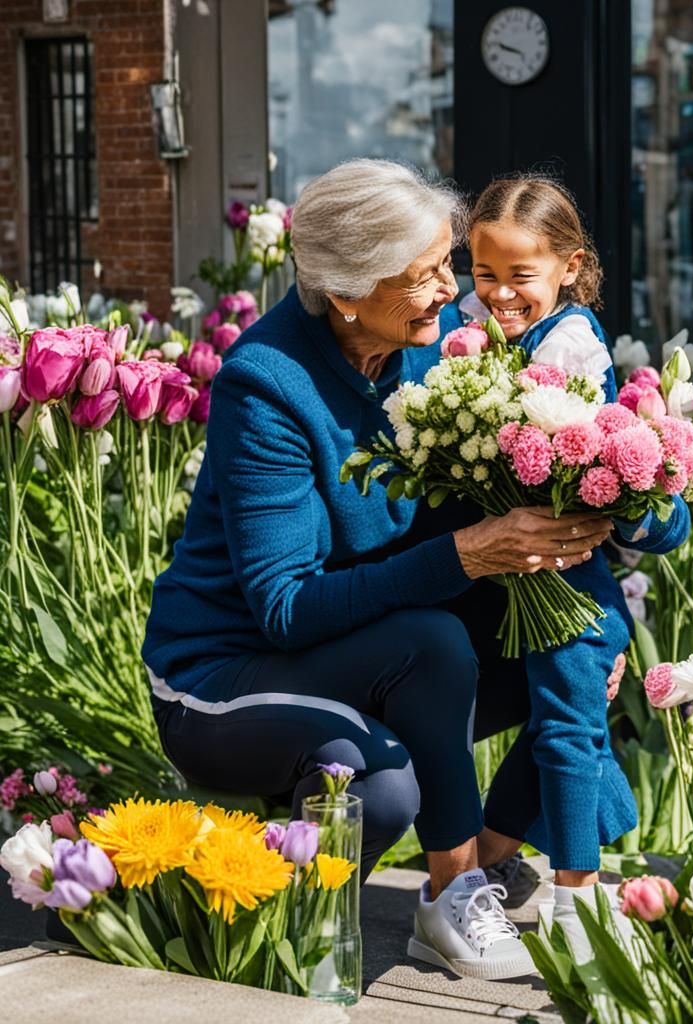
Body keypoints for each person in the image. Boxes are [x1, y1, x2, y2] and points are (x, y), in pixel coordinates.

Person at [143, 159, 616, 981]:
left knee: (575, 656)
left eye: (445, 265)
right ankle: (440, 896)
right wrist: (465, 555)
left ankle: (488, 859)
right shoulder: (268, 385)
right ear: (348, 294)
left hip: (361, 645)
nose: (450, 291)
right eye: (425, 275)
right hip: (223, 677)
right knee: (381, 780)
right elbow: (285, 608)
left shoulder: (428, 353)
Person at [455, 175, 690, 949]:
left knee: (567, 733)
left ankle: (575, 903)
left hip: (570, 581)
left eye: (520, 275)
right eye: (484, 272)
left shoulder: (572, 346)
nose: (498, 293)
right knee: (562, 729)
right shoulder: (475, 327)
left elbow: (597, 477)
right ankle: (486, 862)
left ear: (569, 266)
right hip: (517, 577)